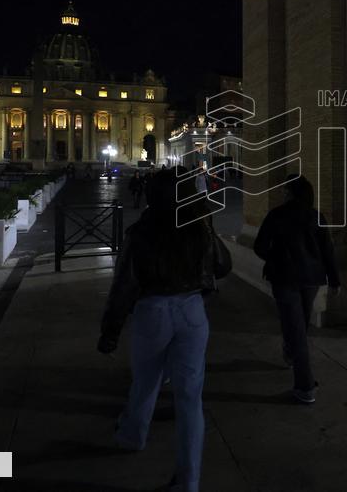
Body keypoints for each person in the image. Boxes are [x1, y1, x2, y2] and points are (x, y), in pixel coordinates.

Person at [98, 169, 221, 492]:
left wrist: (110, 330)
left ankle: (132, 436)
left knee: (146, 380)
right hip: (193, 310)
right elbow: (222, 266)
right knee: (190, 399)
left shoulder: (141, 231)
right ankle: (189, 481)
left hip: (153, 310)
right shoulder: (198, 226)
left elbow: (124, 284)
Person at [254, 175, 340, 404]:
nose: (283, 194)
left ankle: (305, 387)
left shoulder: (277, 215)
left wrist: (275, 259)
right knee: (299, 323)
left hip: (285, 279)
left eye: (285, 190)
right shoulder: (316, 216)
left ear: (291, 193)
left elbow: (259, 247)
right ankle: (291, 352)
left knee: (296, 330)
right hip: (311, 279)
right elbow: (328, 251)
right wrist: (335, 280)